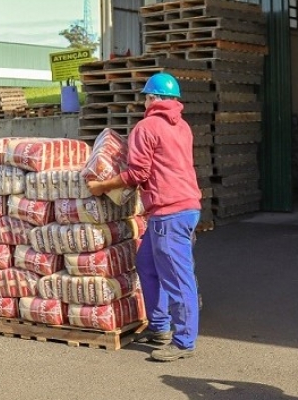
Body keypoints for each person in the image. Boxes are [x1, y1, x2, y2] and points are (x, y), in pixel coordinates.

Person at [87, 72, 202, 362]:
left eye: (146, 97)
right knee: (147, 264)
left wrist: (102, 186)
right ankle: (160, 326)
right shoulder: (183, 126)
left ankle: (184, 341)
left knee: (177, 277)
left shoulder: (146, 127)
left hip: (169, 211)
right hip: (185, 207)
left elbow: (138, 174)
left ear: (151, 99)